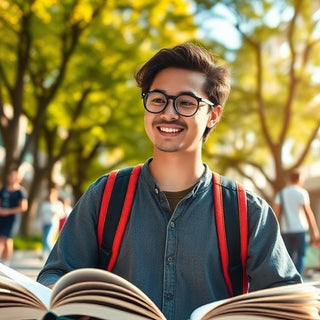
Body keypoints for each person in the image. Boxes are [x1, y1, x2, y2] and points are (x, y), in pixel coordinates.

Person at [38, 43, 301, 320]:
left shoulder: (247, 211)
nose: (169, 113)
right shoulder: (105, 195)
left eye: (186, 102)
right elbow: (58, 272)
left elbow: (284, 296)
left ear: (213, 115)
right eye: (158, 99)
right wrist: (58, 293)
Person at [273, 169, 320, 275]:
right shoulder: (301, 192)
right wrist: (315, 231)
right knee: (301, 255)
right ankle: (298, 278)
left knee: (287, 256)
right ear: (299, 178)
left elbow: (276, 213)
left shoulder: (281, 194)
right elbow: (308, 213)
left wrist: (275, 230)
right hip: (300, 229)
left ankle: (289, 278)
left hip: (286, 230)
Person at [0, 168, 28, 265]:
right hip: (1, 217)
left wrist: (8, 211)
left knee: (6, 238)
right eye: (11, 175)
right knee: (2, 238)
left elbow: (23, 207)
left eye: (14, 176)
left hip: (12, 218)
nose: (12, 178)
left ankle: (6, 262)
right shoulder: (3, 189)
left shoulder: (20, 192)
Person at [38, 187, 65, 260]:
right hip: (45, 223)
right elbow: (41, 214)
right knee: (44, 240)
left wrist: (56, 213)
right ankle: (43, 255)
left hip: (52, 224)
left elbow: (62, 214)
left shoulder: (58, 204)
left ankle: (55, 256)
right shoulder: (45, 203)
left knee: (48, 239)